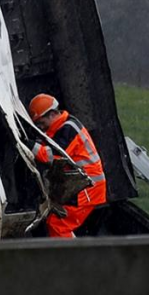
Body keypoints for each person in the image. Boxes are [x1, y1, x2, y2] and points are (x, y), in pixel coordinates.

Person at [28, 93, 107, 238]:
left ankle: (69, 258)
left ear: (52, 114)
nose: (40, 127)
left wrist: (29, 145)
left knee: (58, 225)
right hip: (83, 186)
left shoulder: (68, 129)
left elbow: (52, 156)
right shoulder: (64, 126)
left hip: (87, 188)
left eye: (41, 122)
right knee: (56, 222)